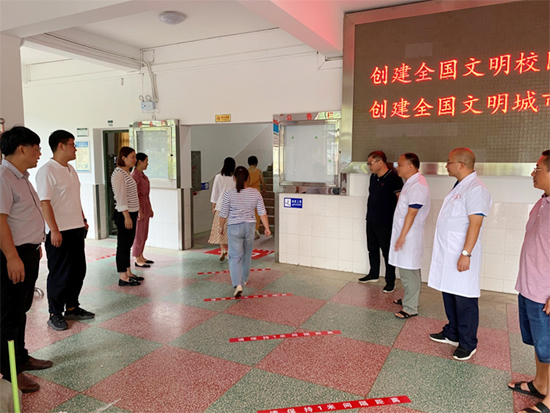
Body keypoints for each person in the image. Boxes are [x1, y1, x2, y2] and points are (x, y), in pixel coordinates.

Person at [0, 126, 52, 393]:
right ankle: (11, 373)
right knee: (9, 315)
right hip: (12, 255)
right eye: (36, 148)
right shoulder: (3, 178)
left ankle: (20, 357)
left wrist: (35, 245)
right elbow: (0, 221)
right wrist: (12, 256)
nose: (39, 153)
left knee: (20, 310)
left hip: (27, 251)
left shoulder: (21, 177)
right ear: (21, 148)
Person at [428, 148, 492, 361]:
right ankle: (452, 333)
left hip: (462, 253)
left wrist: (466, 253)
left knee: (464, 299)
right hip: (449, 253)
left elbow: (476, 223)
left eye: (449, 162)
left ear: (462, 165)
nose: (446, 166)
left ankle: (467, 343)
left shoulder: (476, 189)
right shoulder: (460, 186)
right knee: (449, 293)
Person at [36, 130, 94, 331]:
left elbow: (74, 198)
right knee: (60, 273)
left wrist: (83, 219)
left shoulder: (70, 169)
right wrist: (54, 230)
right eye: (72, 144)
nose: (75, 148)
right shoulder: (47, 171)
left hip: (76, 228)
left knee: (78, 270)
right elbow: (45, 203)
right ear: (60, 146)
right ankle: (55, 313)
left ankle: (72, 307)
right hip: (59, 231)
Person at [508, 150, 550, 413]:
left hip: (545, 292)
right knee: (540, 344)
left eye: (538, 169)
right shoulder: (543, 200)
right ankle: (541, 384)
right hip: (530, 286)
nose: (533, 173)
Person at [389, 153, 430, 319]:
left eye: (400, 164)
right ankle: (409, 298)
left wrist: (402, 236)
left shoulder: (418, 185)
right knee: (408, 270)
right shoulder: (410, 183)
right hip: (406, 234)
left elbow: (412, 213)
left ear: (411, 166)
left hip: (409, 236)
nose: (397, 167)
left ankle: (410, 307)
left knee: (408, 272)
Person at [219, 166, 271, 297]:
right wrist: (267, 228)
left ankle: (238, 284)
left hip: (234, 227)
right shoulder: (255, 193)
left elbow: (223, 213)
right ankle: (245, 278)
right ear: (248, 178)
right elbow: (262, 212)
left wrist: (221, 227)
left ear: (234, 178)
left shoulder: (229, 194)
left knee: (234, 256)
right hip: (249, 227)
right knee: (247, 254)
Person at [358, 151, 403, 293]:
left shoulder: (394, 178)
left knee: (387, 251)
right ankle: (373, 274)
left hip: (386, 221)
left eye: (370, 163)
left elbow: (400, 200)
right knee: (372, 248)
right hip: (371, 218)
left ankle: (390, 281)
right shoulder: (373, 177)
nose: (369, 166)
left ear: (380, 162)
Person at [111, 146, 142, 286]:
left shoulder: (126, 173)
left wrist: (136, 211)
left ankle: (128, 272)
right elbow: (120, 197)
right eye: (132, 157)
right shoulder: (118, 173)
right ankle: (123, 276)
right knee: (123, 245)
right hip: (124, 214)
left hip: (131, 212)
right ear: (123, 158)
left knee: (128, 244)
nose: (135, 160)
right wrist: (127, 216)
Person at [208, 157, 236, 261]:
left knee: (220, 228)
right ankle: (231, 250)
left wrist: (214, 205)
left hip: (220, 205)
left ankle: (223, 249)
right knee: (231, 229)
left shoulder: (218, 177)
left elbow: (215, 192)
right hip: (232, 207)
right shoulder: (235, 178)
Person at [132, 152, 154, 268]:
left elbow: (147, 194)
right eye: (146, 161)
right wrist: (139, 211)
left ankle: (141, 255)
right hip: (139, 206)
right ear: (139, 162)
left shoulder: (143, 175)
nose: (147, 164)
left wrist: (150, 208)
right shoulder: (134, 176)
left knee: (144, 233)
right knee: (139, 234)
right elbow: (135, 195)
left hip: (145, 204)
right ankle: (137, 257)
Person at [247, 155, 266, 239]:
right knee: (257, 212)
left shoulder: (246, 172)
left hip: (247, 193)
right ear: (256, 163)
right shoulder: (258, 171)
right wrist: (264, 189)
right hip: (256, 192)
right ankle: (256, 229)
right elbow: (263, 182)